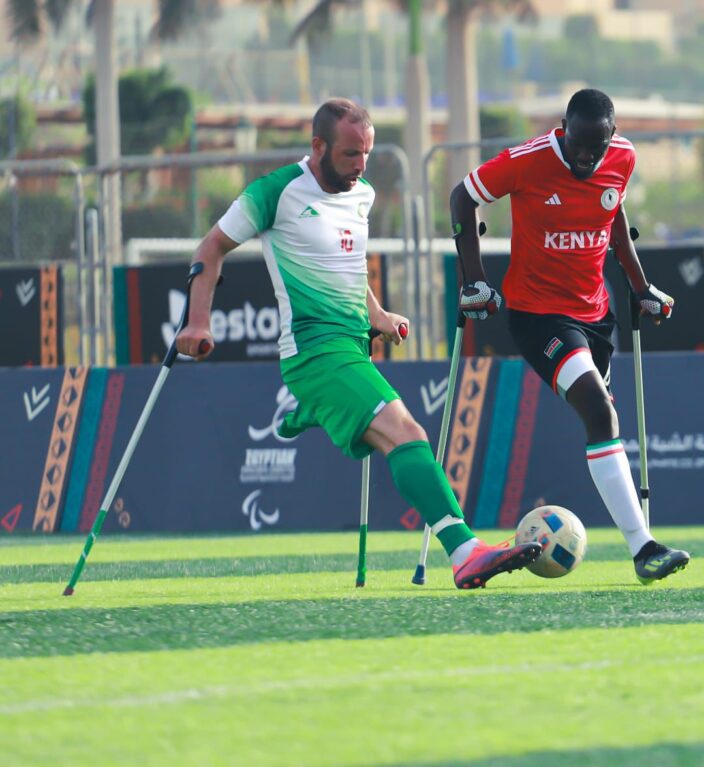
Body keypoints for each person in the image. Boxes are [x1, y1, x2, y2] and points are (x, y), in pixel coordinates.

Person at [176, 97, 541, 589]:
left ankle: (309, 413)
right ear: (318, 146)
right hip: (314, 352)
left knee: (396, 431)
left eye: (367, 153)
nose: (361, 164)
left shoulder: (362, 194)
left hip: (352, 346)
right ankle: (464, 553)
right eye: (350, 153)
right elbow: (211, 246)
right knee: (405, 432)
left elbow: (350, 269)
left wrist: (379, 316)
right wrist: (198, 322)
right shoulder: (275, 192)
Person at [449, 88, 690, 584]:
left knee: (605, 417)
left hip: (597, 318)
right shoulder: (528, 160)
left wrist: (640, 287)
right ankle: (643, 548)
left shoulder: (623, 158)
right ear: (563, 128)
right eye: (576, 143)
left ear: (612, 136)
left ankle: (641, 545)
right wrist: (473, 280)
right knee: (598, 411)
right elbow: (462, 196)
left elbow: (613, 214)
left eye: (594, 147)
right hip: (539, 317)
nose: (584, 155)